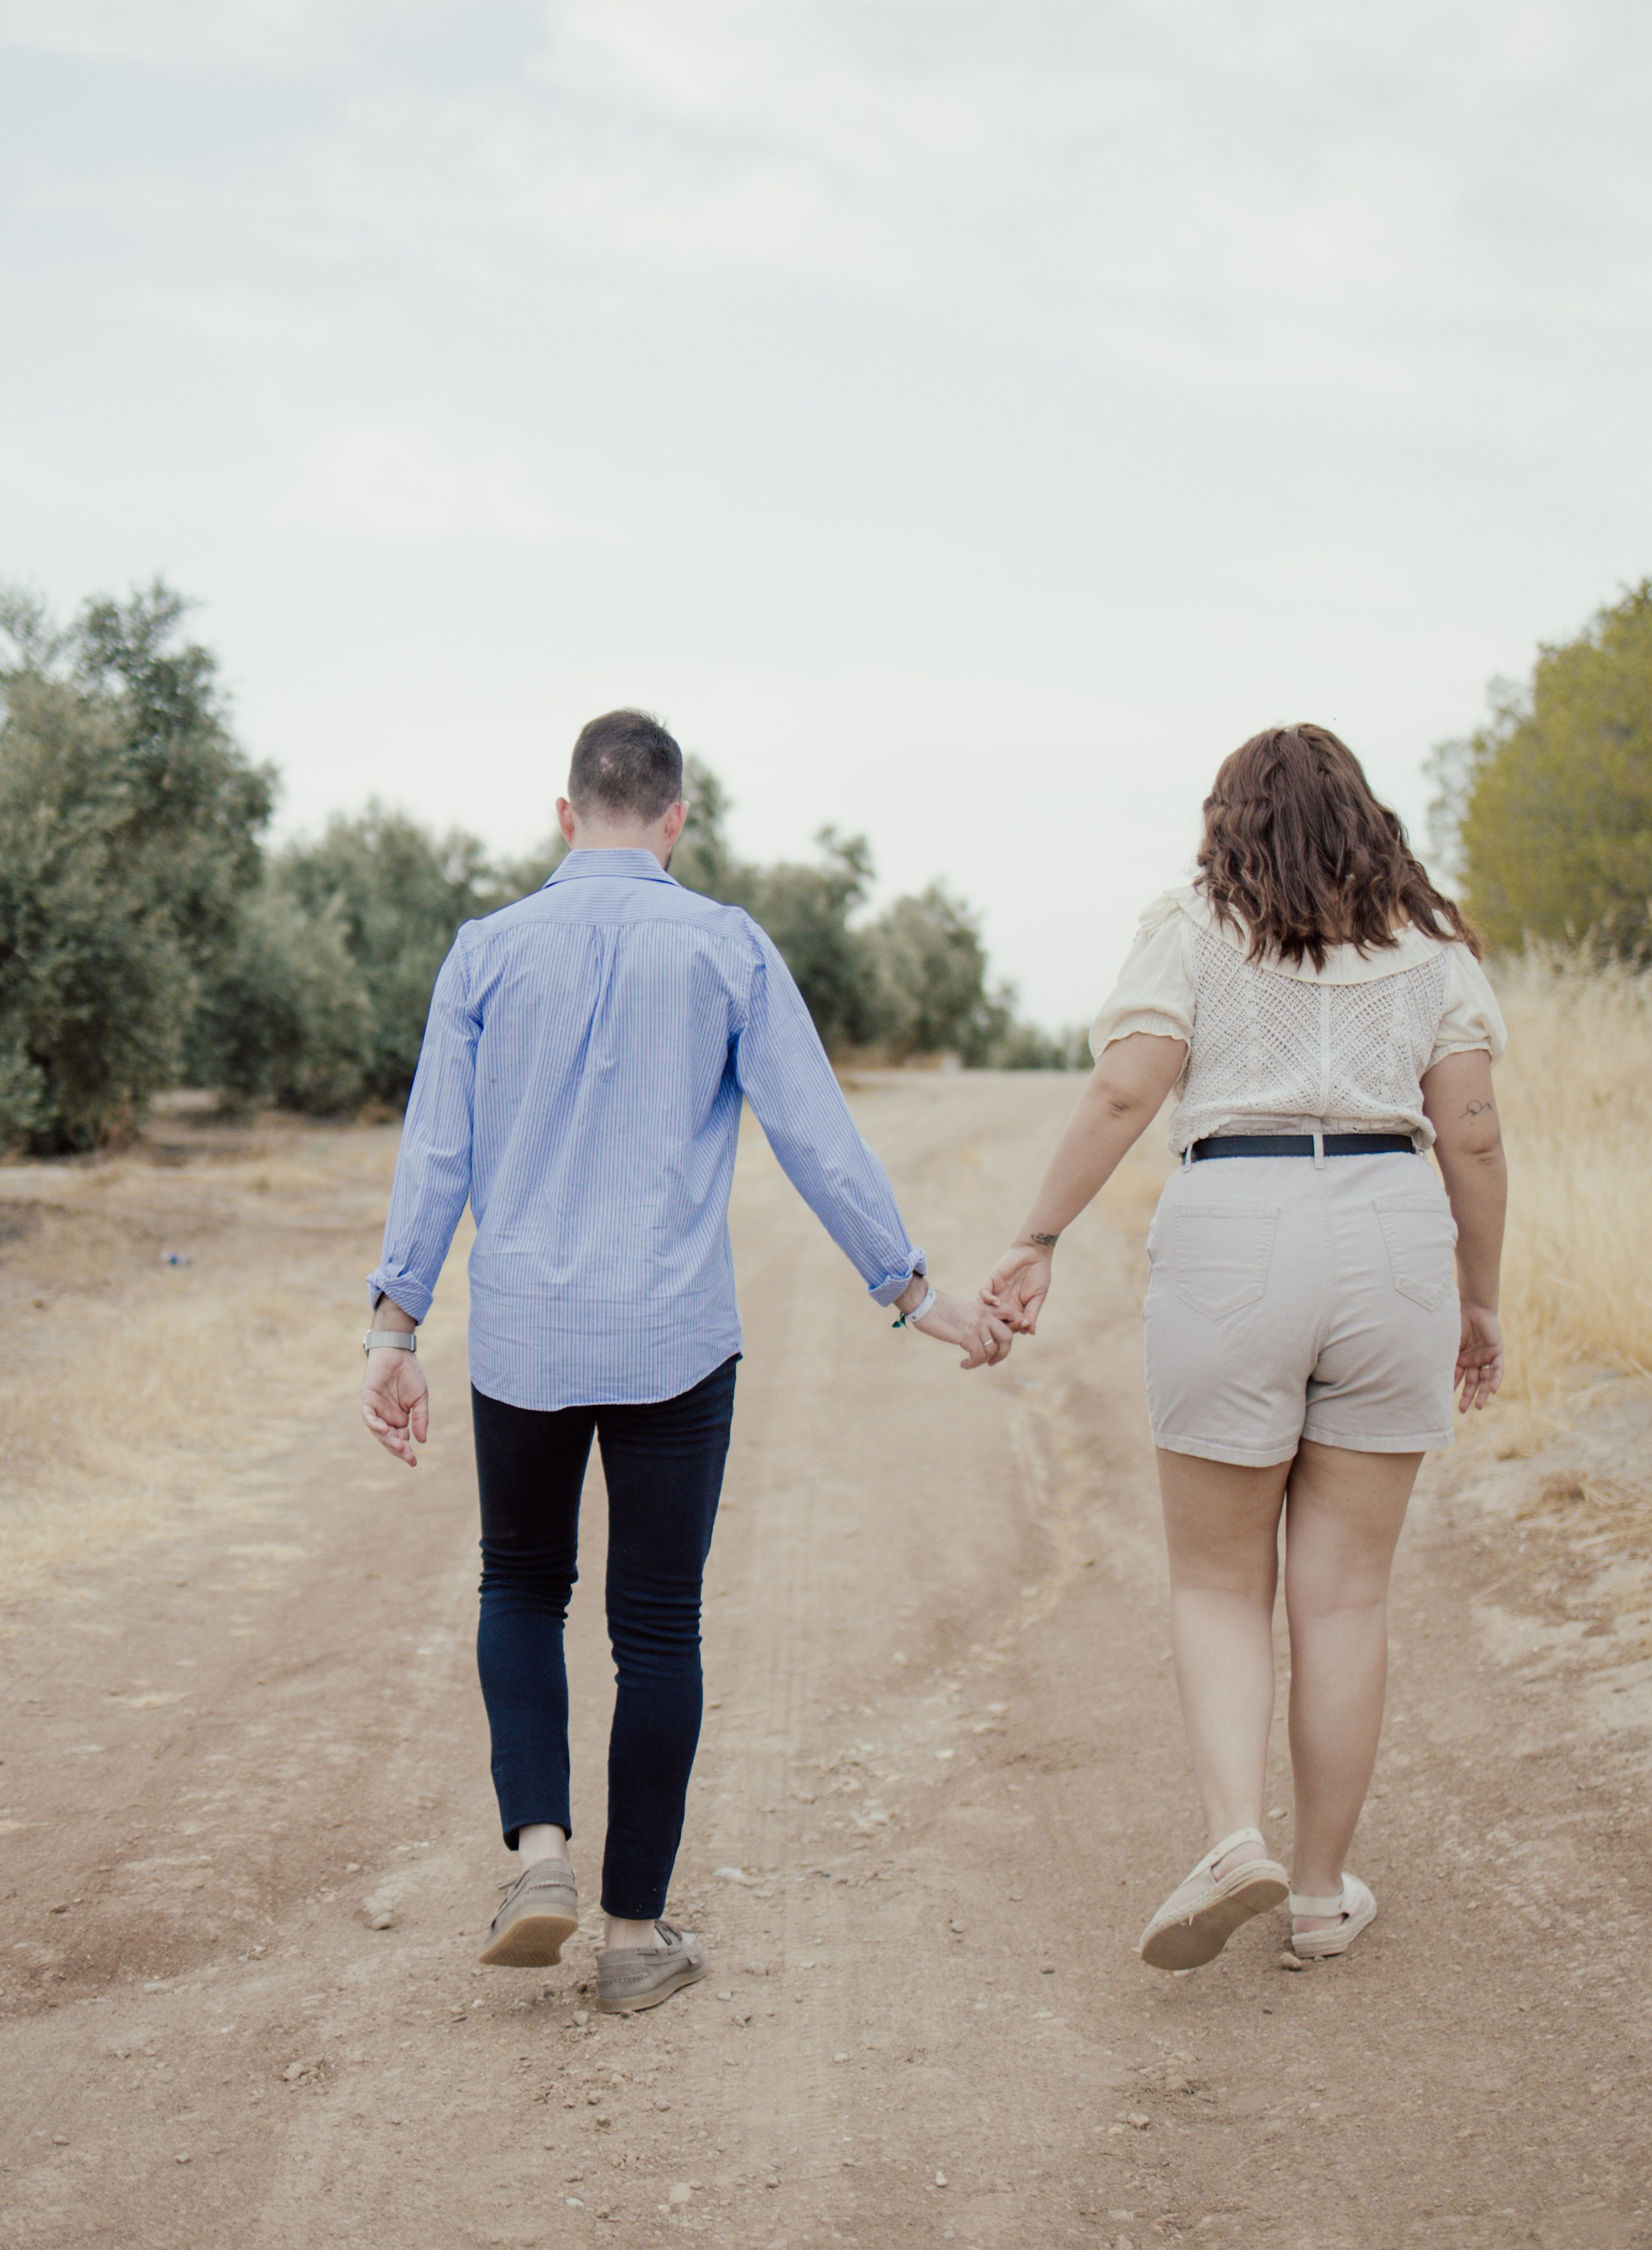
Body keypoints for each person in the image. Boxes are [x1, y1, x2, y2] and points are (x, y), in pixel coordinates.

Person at [358, 709, 1009, 2016]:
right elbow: (817, 1136)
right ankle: (634, 1938)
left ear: (564, 815)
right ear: (674, 818)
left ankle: (539, 1852)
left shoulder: (486, 951)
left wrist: (395, 1323)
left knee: (521, 1586)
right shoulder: (725, 945)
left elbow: (438, 1149)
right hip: (671, 1336)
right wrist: (913, 1292)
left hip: (526, 1332)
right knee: (658, 1629)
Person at [983, 724, 1506, 1972]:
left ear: (1232, 823)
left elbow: (1125, 1090)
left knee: (1221, 1580)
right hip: (1391, 1231)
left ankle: (1234, 1841)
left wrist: (1038, 1234)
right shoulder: (1431, 948)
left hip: (1234, 1228)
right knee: (1349, 1596)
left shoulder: (1194, 921)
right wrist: (1481, 1298)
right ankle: (1320, 1898)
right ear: (1370, 822)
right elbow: (1474, 1136)